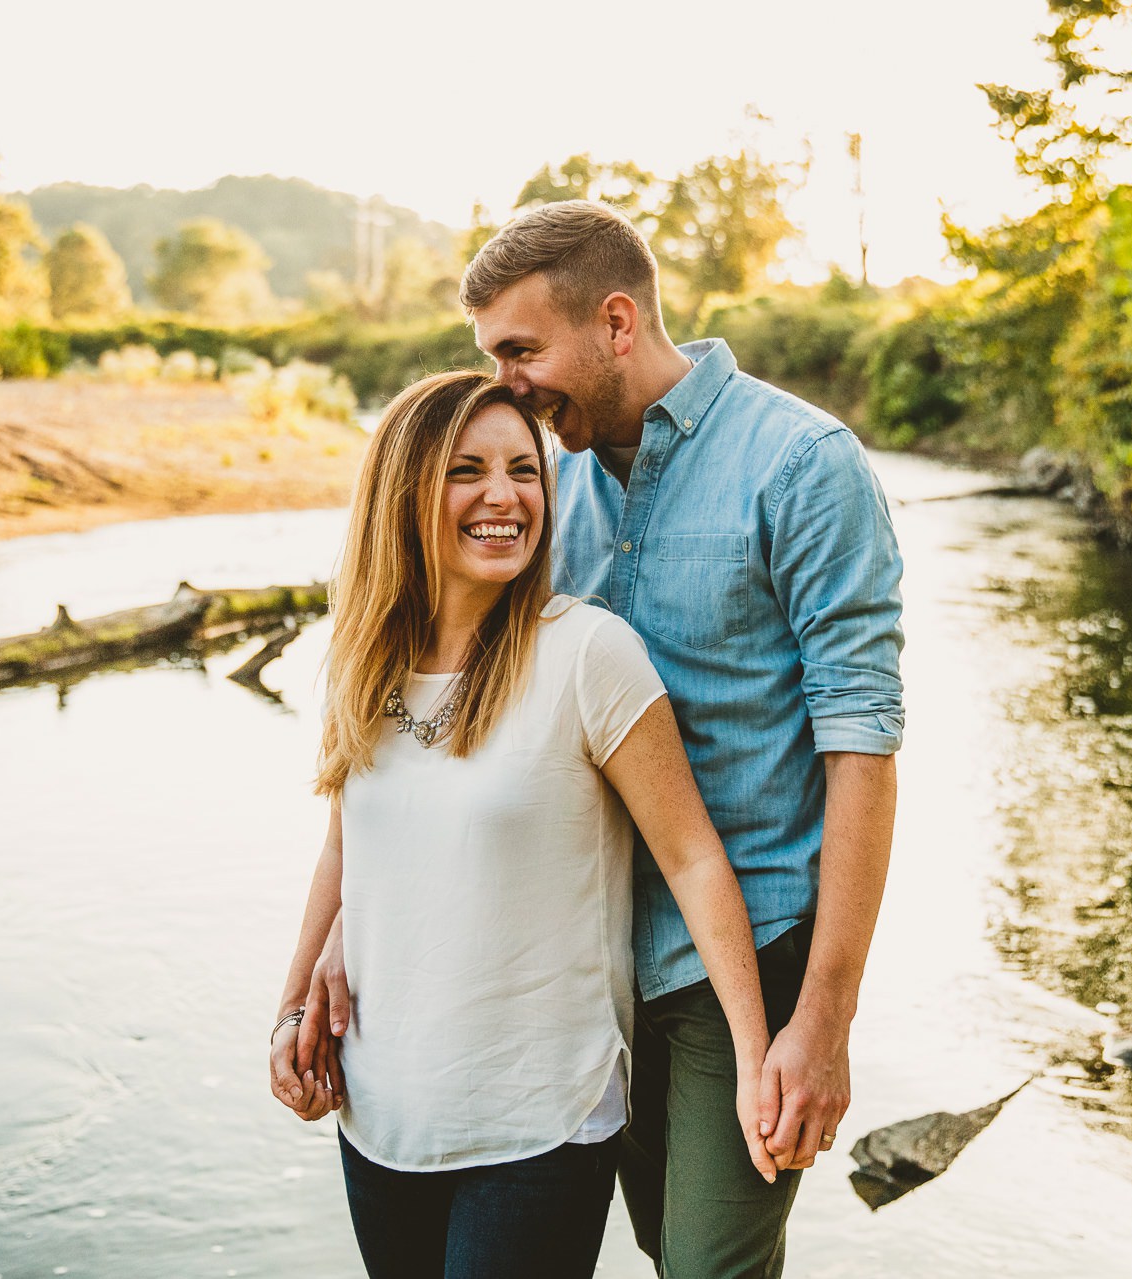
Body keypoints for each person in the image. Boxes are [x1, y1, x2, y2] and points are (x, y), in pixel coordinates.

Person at [303, 201, 906, 1278]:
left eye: (522, 351)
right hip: (573, 973)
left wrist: (822, 1017)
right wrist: (355, 924)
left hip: (742, 958)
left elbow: (860, 745)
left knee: (710, 1265)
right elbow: (440, 729)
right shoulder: (537, 483)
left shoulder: (802, 464)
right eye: (492, 356)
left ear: (617, 323)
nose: (509, 384)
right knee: (634, 1245)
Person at [267, 369, 778, 1279]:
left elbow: (695, 858)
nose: (504, 497)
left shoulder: (588, 653)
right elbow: (348, 847)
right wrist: (292, 1009)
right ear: (405, 490)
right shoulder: (362, 658)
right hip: (379, 1114)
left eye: (525, 471)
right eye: (468, 470)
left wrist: (754, 1057)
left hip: (538, 1124)